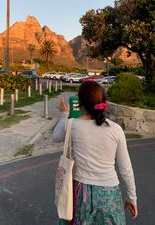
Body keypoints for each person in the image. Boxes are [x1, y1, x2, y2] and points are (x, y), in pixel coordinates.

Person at [53, 81, 138, 225]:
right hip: (109, 194)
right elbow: (126, 168)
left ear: (80, 103)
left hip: (80, 194)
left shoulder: (72, 124)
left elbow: (55, 137)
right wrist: (132, 198)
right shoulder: (115, 129)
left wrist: (64, 114)